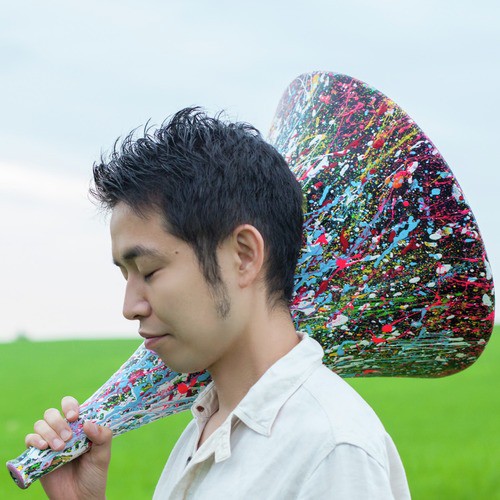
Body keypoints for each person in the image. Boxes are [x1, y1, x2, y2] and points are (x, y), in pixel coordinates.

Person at [25, 108, 411, 499]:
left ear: (244, 256)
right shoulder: (207, 424)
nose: (130, 307)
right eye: (126, 276)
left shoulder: (332, 451)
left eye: (149, 271)